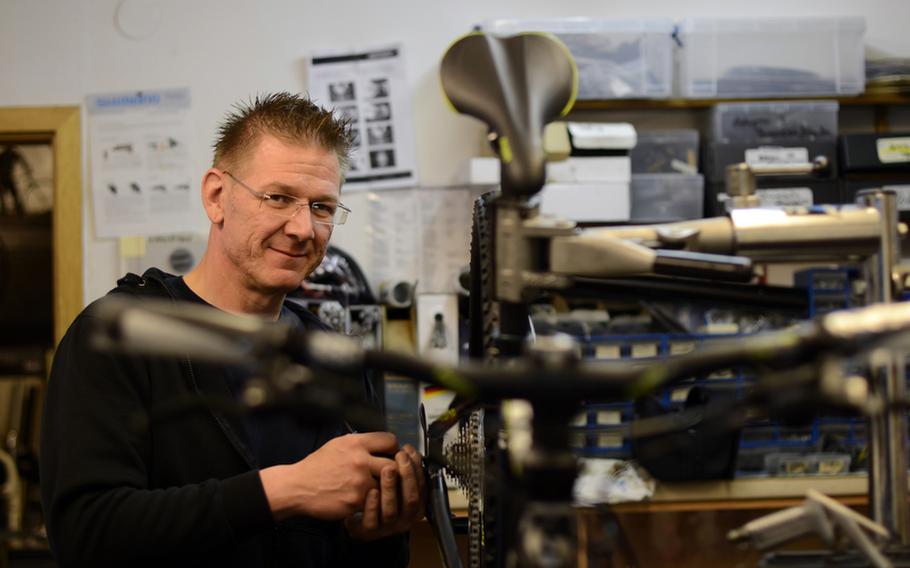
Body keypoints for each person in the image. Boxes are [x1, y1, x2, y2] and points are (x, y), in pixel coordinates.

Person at [40, 93, 425, 567]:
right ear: (216, 196)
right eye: (278, 198)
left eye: (322, 207)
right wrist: (287, 489)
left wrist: (376, 533)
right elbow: (86, 534)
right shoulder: (117, 336)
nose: (303, 228)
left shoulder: (336, 360)